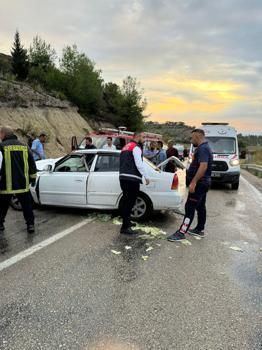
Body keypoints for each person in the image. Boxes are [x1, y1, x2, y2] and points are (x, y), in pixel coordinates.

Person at [167, 129, 213, 241]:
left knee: (190, 207)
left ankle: (181, 232)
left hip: (200, 183)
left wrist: (194, 182)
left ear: (197, 137)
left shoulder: (202, 149)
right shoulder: (205, 148)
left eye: (192, 138)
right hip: (203, 182)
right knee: (201, 206)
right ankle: (199, 229)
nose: (191, 140)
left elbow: (203, 166)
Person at [0, 126, 37, 233]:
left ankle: (1, 224)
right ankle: (30, 225)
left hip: (5, 184)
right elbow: (32, 164)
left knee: (2, 206)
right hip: (22, 183)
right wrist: (33, 179)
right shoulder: (24, 147)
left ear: (3, 134)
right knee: (27, 206)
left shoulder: (1, 147)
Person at [119, 132, 150, 235]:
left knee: (126, 202)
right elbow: (139, 164)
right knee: (129, 203)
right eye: (143, 137)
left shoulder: (126, 147)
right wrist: (146, 176)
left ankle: (127, 222)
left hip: (123, 177)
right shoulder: (136, 147)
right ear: (137, 137)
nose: (144, 139)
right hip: (132, 179)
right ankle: (125, 228)